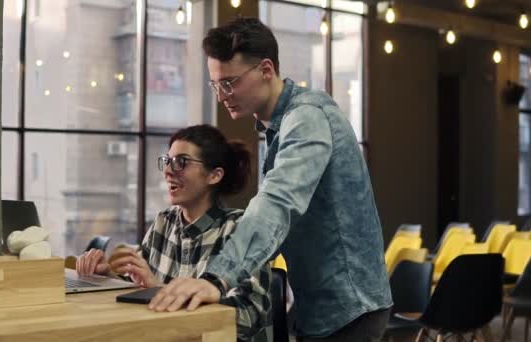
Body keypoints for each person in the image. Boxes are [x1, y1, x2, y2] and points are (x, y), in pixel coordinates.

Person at [148, 17, 393, 341]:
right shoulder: (277, 128)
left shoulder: (307, 118)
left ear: (266, 70)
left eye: (230, 82)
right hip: (318, 305)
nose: (222, 94)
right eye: (216, 85)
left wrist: (216, 279)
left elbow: (277, 203)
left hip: (349, 308)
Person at [76, 124, 272, 342]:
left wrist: (159, 290)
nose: (168, 171)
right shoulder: (164, 221)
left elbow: (248, 317)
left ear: (214, 175)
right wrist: (107, 275)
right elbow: (140, 285)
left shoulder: (241, 229)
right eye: (167, 161)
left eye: (181, 162)